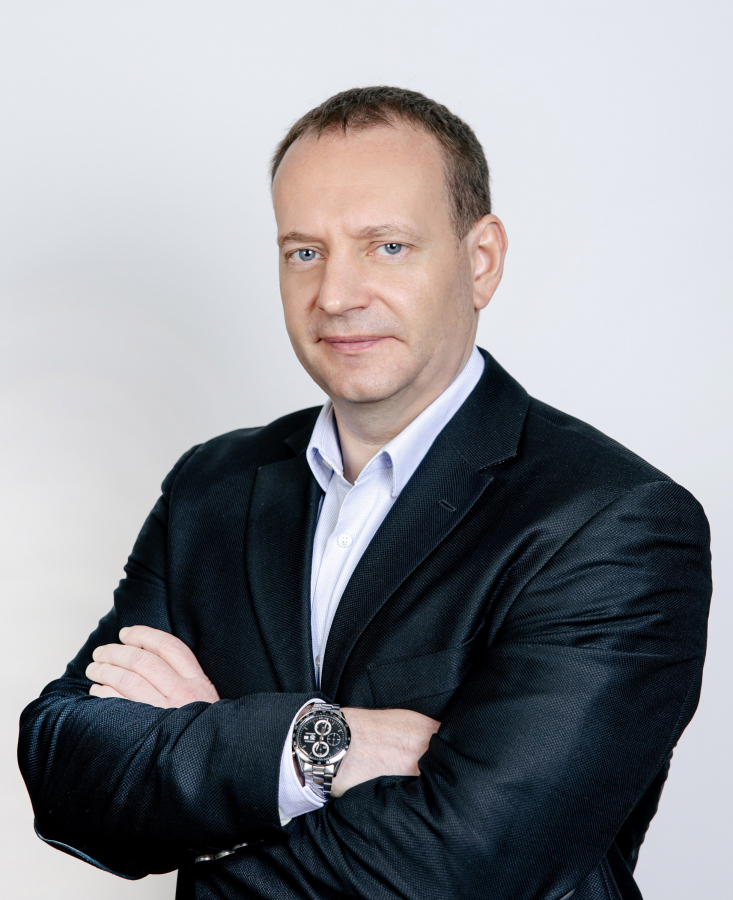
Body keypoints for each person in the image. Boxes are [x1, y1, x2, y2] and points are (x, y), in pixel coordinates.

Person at [18, 86, 711, 900]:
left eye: (386, 246)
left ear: (480, 260)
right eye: (303, 252)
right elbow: (66, 769)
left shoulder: (612, 521)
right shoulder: (211, 488)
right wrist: (318, 744)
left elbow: (464, 866)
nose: (337, 295)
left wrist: (211, 794)